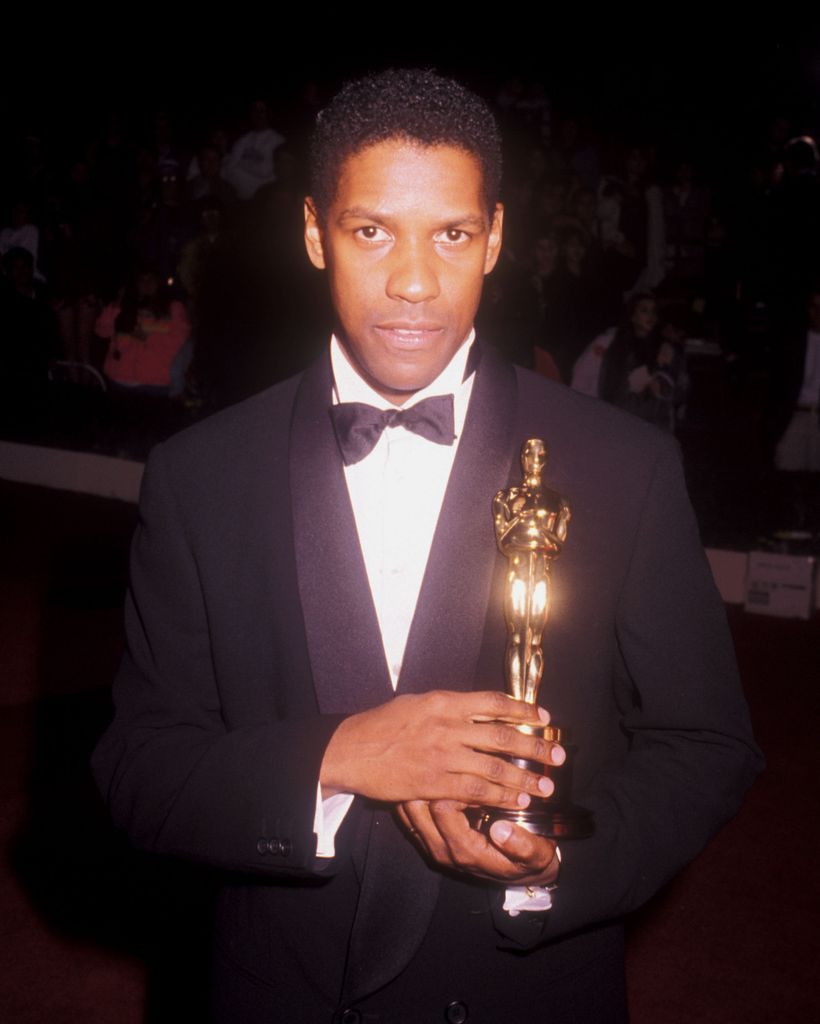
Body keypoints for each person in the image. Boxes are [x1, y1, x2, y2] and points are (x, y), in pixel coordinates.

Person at [93, 69, 762, 1023]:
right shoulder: (199, 474)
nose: (413, 282)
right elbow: (138, 768)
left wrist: (563, 862)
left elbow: (708, 740)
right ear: (316, 233)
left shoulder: (628, 465)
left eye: (450, 234)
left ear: (495, 237)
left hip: (521, 987)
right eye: (373, 232)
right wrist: (338, 755)